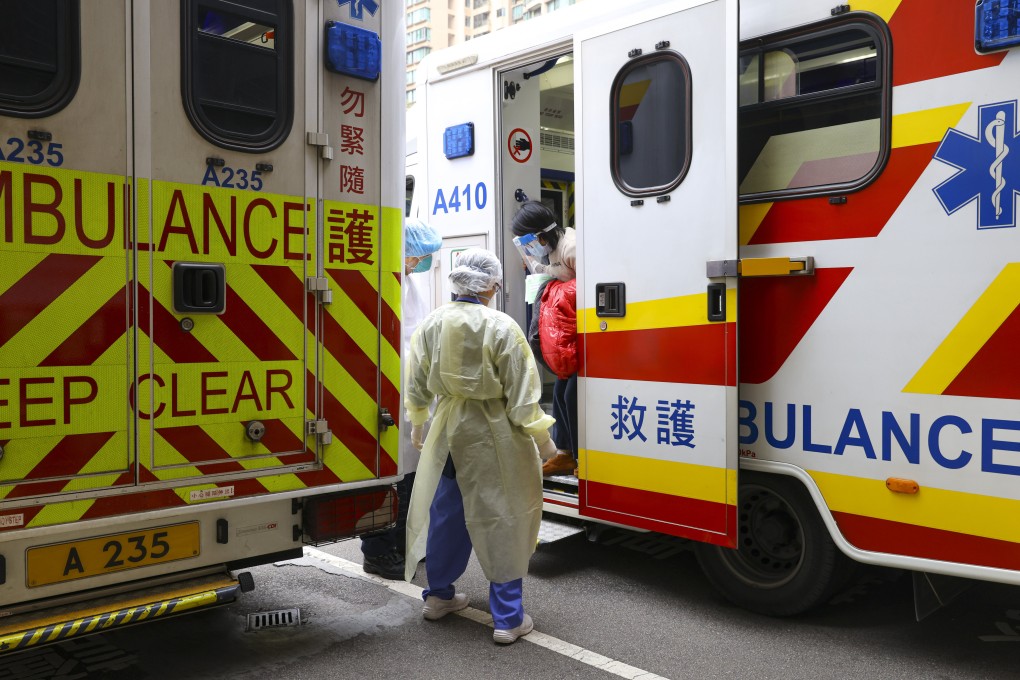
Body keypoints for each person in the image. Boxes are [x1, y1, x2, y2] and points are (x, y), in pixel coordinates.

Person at [402, 248, 556, 644]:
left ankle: (439, 596)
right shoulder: (502, 327)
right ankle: (507, 618)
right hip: (495, 437)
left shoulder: (433, 323)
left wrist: (419, 425)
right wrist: (545, 442)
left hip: (448, 433)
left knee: (447, 515)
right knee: (502, 517)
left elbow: (416, 383)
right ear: (491, 285)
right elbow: (523, 400)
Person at [361, 218, 443, 580]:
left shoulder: (410, 280)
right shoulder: (382, 278)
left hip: (410, 392)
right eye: (420, 255)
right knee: (384, 478)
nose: (423, 261)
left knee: (408, 477)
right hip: (388, 391)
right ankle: (377, 552)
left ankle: (402, 543)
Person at [511, 201, 578, 476]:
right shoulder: (551, 248)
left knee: (573, 394)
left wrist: (544, 270)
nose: (527, 247)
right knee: (561, 391)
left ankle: (583, 455)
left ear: (540, 235)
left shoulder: (572, 248)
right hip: (569, 330)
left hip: (583, 331)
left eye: (526, 240)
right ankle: (565, 453)